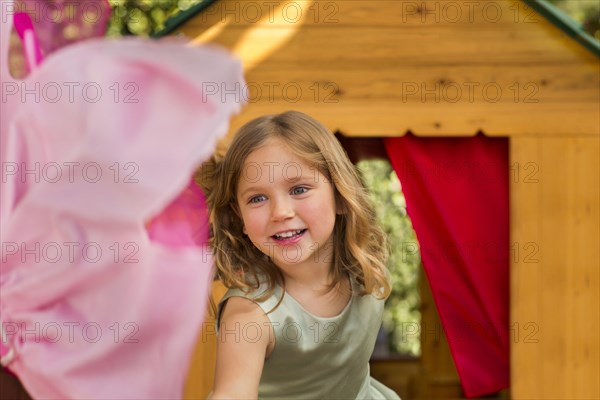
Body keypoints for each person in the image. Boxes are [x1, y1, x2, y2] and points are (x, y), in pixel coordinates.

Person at [201, 110, 401, 399]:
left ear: (340, 197)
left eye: (299, 189)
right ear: (239, 216)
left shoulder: (366, 269)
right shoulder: (251, 316)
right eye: (257, 198)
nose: (281, 212)